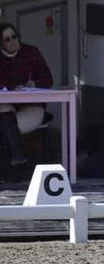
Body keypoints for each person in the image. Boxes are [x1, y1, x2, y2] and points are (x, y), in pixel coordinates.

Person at [0, 23, 53, 170]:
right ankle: (17, 156)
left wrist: (33, 83)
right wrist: (11, 87)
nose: (12, 41)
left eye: (14, 37)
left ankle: (14, 162)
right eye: (7, 39)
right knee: (5, 113)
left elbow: (48, 79)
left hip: (31, 105)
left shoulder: (31, 52)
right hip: (7, 105)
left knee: (6, 127)